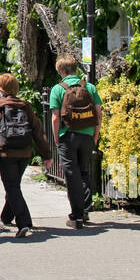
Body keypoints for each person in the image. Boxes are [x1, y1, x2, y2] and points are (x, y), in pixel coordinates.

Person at [0, 73, 51, 237]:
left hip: (5, 153)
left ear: (0, 89)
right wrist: (46, 155)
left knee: (12, 186)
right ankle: (6, 216)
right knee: (14, 185)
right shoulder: (25, 106)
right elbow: (38, 131)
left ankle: (24, 222)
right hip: (25, 152)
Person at [49, 54, 103, 228]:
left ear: (61, 70)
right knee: (85, 172)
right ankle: (85, 209)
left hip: (68, 136)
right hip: (87, 134)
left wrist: (56, 137)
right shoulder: (89, 87)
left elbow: (56, 117)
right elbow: (98, 113)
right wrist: (95, 135)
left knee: (72, 175)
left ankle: (77, 216)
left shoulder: (58, 89)